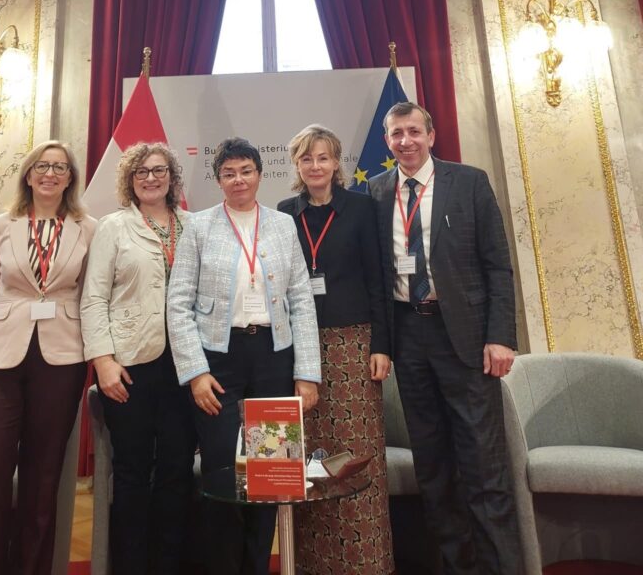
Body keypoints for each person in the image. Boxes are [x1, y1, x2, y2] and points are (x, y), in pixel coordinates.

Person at [368, 102, 520, 575]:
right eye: (397, 134)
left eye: (414, 131)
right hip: (408, 334)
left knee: (483, 464)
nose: (406, 141)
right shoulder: (375, 191)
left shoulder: (469, 182)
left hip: (467, 338)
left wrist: (500, 336)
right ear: (387, 140)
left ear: (431, 135)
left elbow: (497, 264)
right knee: (432, 466)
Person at [167, 137, 321, 575]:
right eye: (229, 173)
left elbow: (301, 299)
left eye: (246, 171)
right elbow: (178, 303)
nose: (239, 180)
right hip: (219, 360)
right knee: (221, 472)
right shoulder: (199, 226)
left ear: (259, 174)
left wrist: (307, 372)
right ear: (218, 180)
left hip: (272, 357)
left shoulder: (282, 224)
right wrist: (195, 373)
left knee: (271, 472)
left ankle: (256, 565)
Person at [0, 140, 95, 575]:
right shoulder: (3, 224)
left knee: (42, 477)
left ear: (70, 178)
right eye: (42, 166)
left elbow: (88, 292)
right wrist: (10, 320)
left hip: (62, 356)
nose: (50, 173)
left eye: (60, 167)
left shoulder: (88, 228)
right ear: (28, 174)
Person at [277, 124, 394, 575]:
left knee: (357, 451)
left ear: (336, 162)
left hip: (353, 344)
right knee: (311, 456)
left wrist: (381, 344)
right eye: (306, 158)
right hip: (301, 347)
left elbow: (378, 280)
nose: (315, 166)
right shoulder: (284, 214)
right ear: (297, 164)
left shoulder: (361, 208)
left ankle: (366, 562)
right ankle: (314, 563)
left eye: (323, 157)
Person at [81, 141, 196, 575]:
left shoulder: (193, 225)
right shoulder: (113, 227)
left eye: (159, 170)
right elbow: (93, 299)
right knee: (131, 473)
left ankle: (169, 565)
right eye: (141, 172)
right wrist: (103, 362)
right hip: (129, 366)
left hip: (185, 366)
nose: (151, 178)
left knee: (177, 471)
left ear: (172, 176)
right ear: (130, 180)